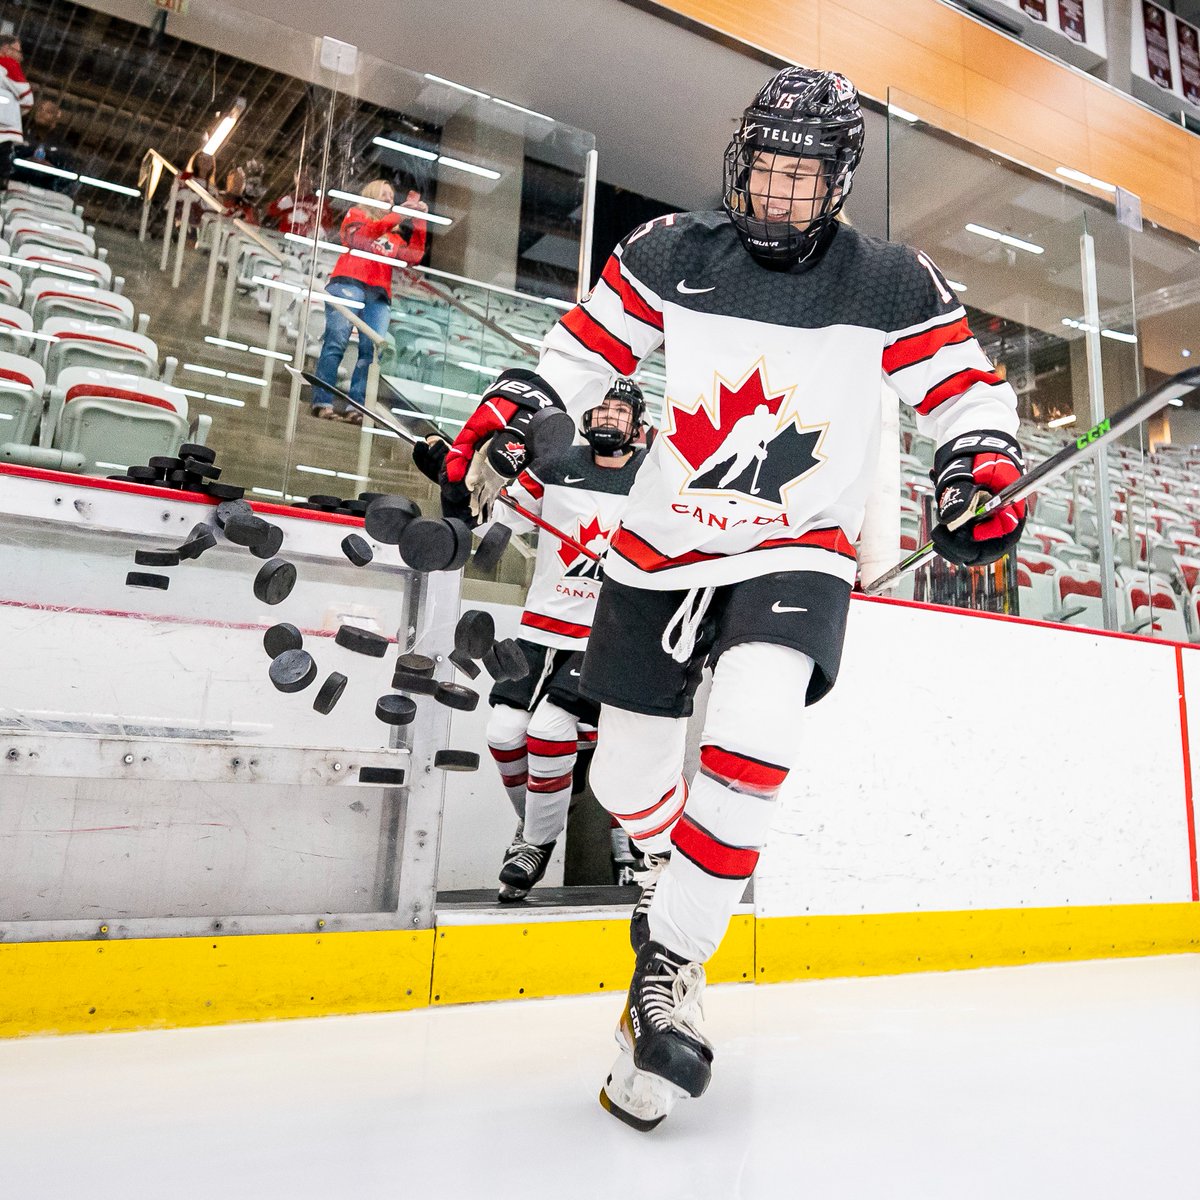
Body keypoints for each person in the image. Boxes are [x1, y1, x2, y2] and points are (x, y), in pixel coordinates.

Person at [437, 66, 1026, 1129]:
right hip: (662, 548)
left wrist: (974, 467)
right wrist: (511, 413)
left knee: (754, 734)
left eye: (802, 177)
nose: (778, 195)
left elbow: (967, 397)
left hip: (795, 546)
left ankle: (669, 968)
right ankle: (671, 884)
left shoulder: (891, 283)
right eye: (764, 170)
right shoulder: (669, 252)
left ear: (839, 182)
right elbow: (577, 357)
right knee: (622, 780)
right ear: (737, 163)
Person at [482, 380, 646, 901]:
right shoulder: (555, 464)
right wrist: (481, 470)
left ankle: (533, 841)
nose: (610, 419)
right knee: (504, 732)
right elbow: (498, 511)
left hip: (604, 634)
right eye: (603, 409)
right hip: (539, 626)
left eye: (621, 412)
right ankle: (543, 817)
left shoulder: (652, 478)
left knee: (552, 729)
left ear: (638, 426)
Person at [310, 179, 427, 423]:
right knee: (336, 342)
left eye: (392, 197)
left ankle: (357, 408)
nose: (389, 199)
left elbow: (414, 256)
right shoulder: (356, 214)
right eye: (383, 194)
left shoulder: (394, 237)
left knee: (371, 353)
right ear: (371, 195)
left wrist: (419, 221)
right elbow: (362, 238)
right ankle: (322, 401)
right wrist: (399, 214)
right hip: (347, 284)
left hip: (379, 295)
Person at [12, 99, 74, 193]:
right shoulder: (20, 138)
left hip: (46, 193)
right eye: (40, 109)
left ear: (57, 116)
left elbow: (67, 176)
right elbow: (7, 161)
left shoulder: (63, 147)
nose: (41, 113)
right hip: (14, 187)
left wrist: (51, 169)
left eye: (48, 111)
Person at [0, 35, 33, 189]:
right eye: (17, 51)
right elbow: (27, 100)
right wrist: (12, 109)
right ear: (6, 49)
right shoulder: (8, 64)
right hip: (4, 132)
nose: (20, 56)